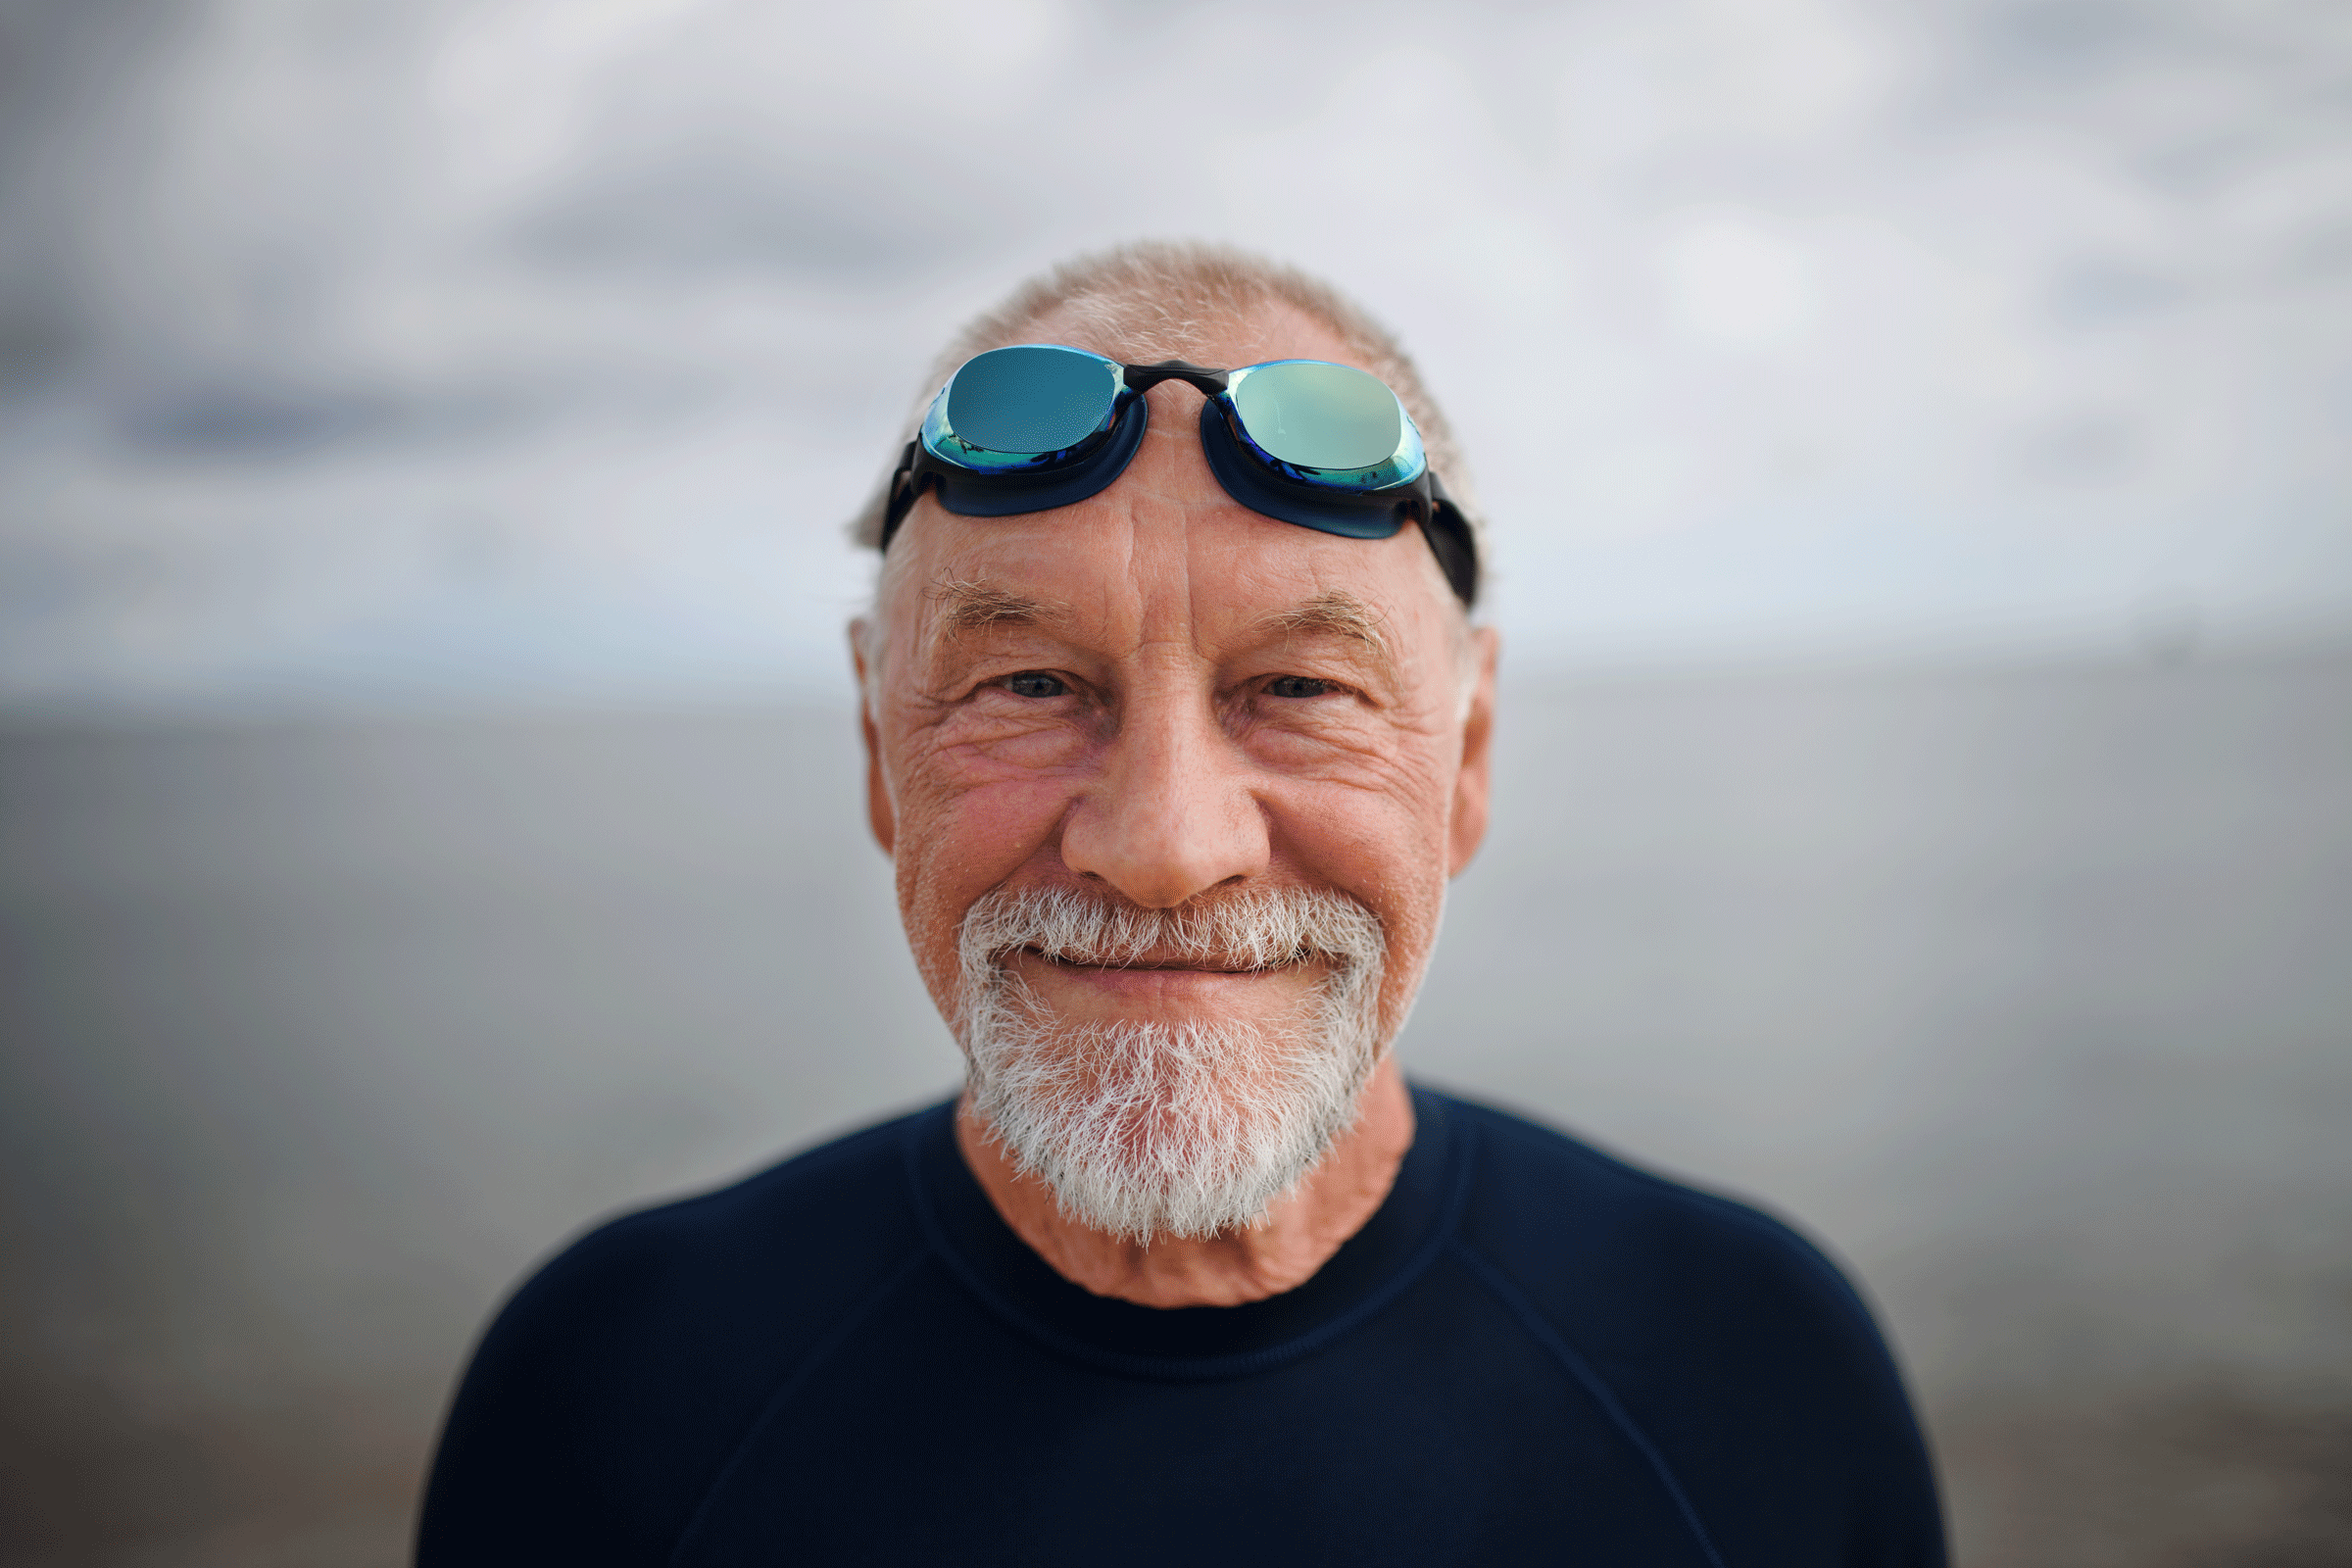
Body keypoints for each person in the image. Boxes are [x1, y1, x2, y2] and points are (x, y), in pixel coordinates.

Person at [417, 242, 1945, 1566]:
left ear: (1466, 762)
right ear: (881, 752)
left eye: (1300, 688)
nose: (1162, 847)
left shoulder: (1754, 1367)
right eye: (1030, 684)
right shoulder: (611, 1387)